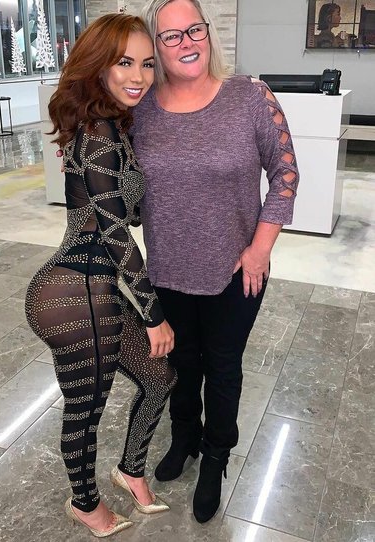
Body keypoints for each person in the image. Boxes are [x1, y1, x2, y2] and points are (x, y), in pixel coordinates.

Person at [133, 0, 299, 523]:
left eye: (194, 30)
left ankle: (216, 456)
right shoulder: (141, 108)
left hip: (236, 271)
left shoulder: (249, 96)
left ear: (208, 33)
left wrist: (260, 248)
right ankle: (185, 437)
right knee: (181, 365)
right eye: (171, 35)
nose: (186, 42)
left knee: (223, 367)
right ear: (156, 46)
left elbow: (286, 174)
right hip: (166, 270)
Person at [25, 13, 176, 538]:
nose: (139, 75)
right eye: (124, 62)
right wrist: (154, 316)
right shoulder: (100, 133)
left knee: (159, 378)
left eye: (148, 64)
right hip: (74, 293)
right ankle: (85, 504)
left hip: (94, 288)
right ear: (99, 66)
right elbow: (115, 234)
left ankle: (130, 470)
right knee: (86, 409)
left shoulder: (111, 125)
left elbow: (121, 212)